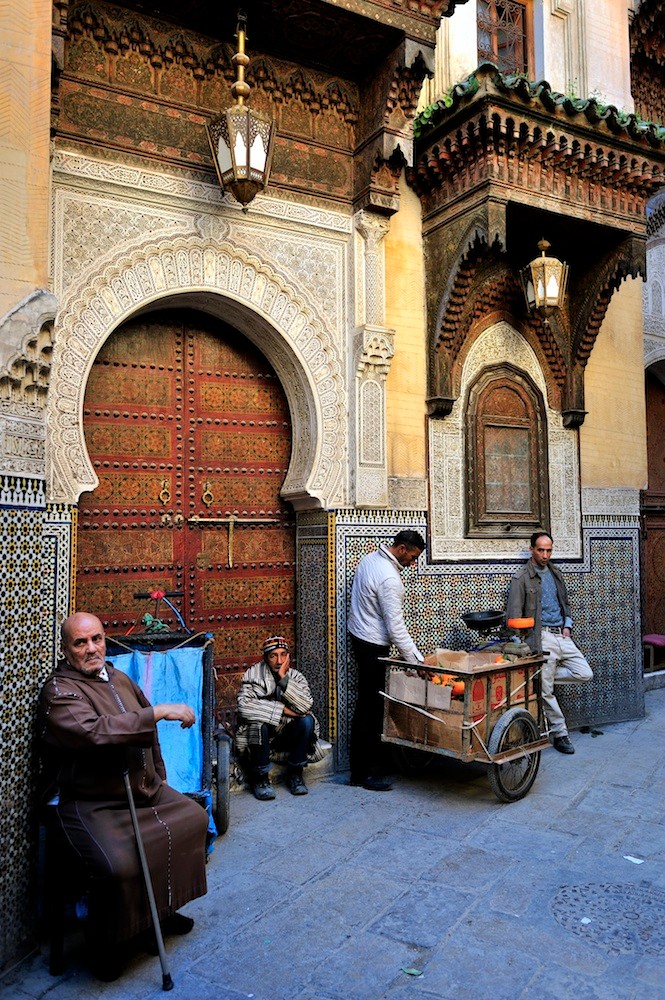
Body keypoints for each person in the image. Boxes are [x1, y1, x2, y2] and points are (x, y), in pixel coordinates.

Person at [37, 612, 208, 981]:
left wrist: (158, 778)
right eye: (80, 643)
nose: (91, 648)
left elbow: (148, 732)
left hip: (142, 791)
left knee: (193, 819)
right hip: (92, 802)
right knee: (118, 865)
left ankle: (158, 914)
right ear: (66, 650)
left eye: (96, 639)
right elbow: (94, 732)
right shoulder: (59, 691)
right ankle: (107, 944)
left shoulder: (118, 677)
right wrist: (160, 711)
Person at [347, 529, 426, 791]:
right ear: (401, 549)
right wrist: (417, 661)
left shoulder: (369, 560)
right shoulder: (390, 579)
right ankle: (364, 773)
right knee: (371, 709)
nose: (412, 563)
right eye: (412, 557)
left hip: (359, 637)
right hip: (372, 645)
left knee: (367, 706)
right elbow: (396, 629)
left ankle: (366, 767)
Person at [506, 531, 593, 754]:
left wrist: (567, 625)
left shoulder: (555, 572)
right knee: (546, 692)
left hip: (561, 636)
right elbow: (514, 615)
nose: (545, 554)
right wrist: (521, 644)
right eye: (541, 550)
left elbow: (564, 601)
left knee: (585, 673)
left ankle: (542, 679)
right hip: (541, 637)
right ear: (532, 550)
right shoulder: (521, 577)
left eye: (549, 550)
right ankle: (560, 732)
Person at [235, 636, 323, 800]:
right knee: (258, 724)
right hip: (260, 739)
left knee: (307, 721)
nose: (279, 660)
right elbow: (244, 707)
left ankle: (295, 774)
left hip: (284, 737)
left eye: (283, 655)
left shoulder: (295, 677)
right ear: (266, 658)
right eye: (273, 655)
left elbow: (305, 707)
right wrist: (284, 710)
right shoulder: (253, 675)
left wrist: (283, 678)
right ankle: (260, 778)